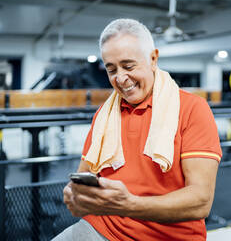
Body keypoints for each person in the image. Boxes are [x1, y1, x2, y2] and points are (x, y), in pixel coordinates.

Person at [53, 18, 222, 241]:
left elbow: (200, 201)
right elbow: (85, 175)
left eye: (128, 66)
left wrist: (130, 205)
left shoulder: (192, 109)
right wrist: (75, 195)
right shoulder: (104, 115)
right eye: (111, 69)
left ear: (153, 59)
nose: (120, 79)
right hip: (101, 227)